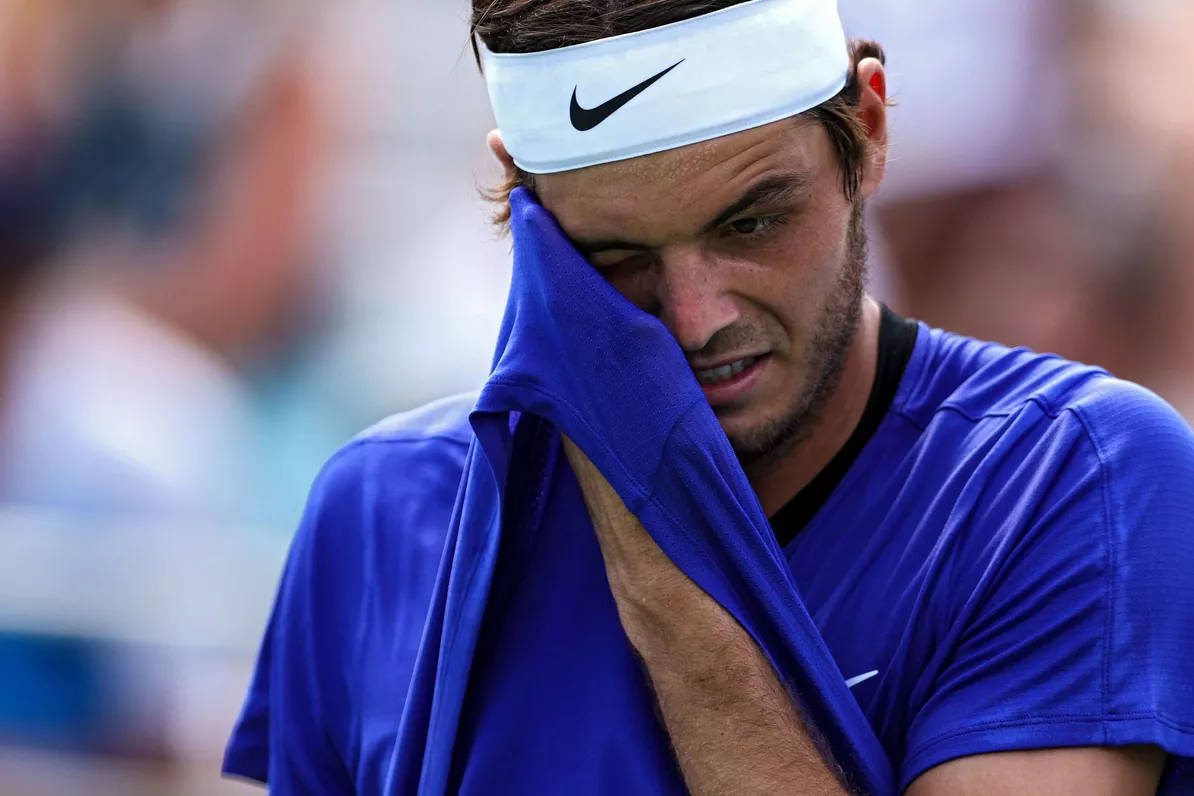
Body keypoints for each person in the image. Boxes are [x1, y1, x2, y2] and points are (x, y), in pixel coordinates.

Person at [224, 0, 1194, 792]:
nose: (695, 318)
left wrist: (645, 490)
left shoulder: (1079, 476)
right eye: (615, 256)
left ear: (868, 127)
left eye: (754, 221)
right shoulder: (378, 511)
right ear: (524, 205)